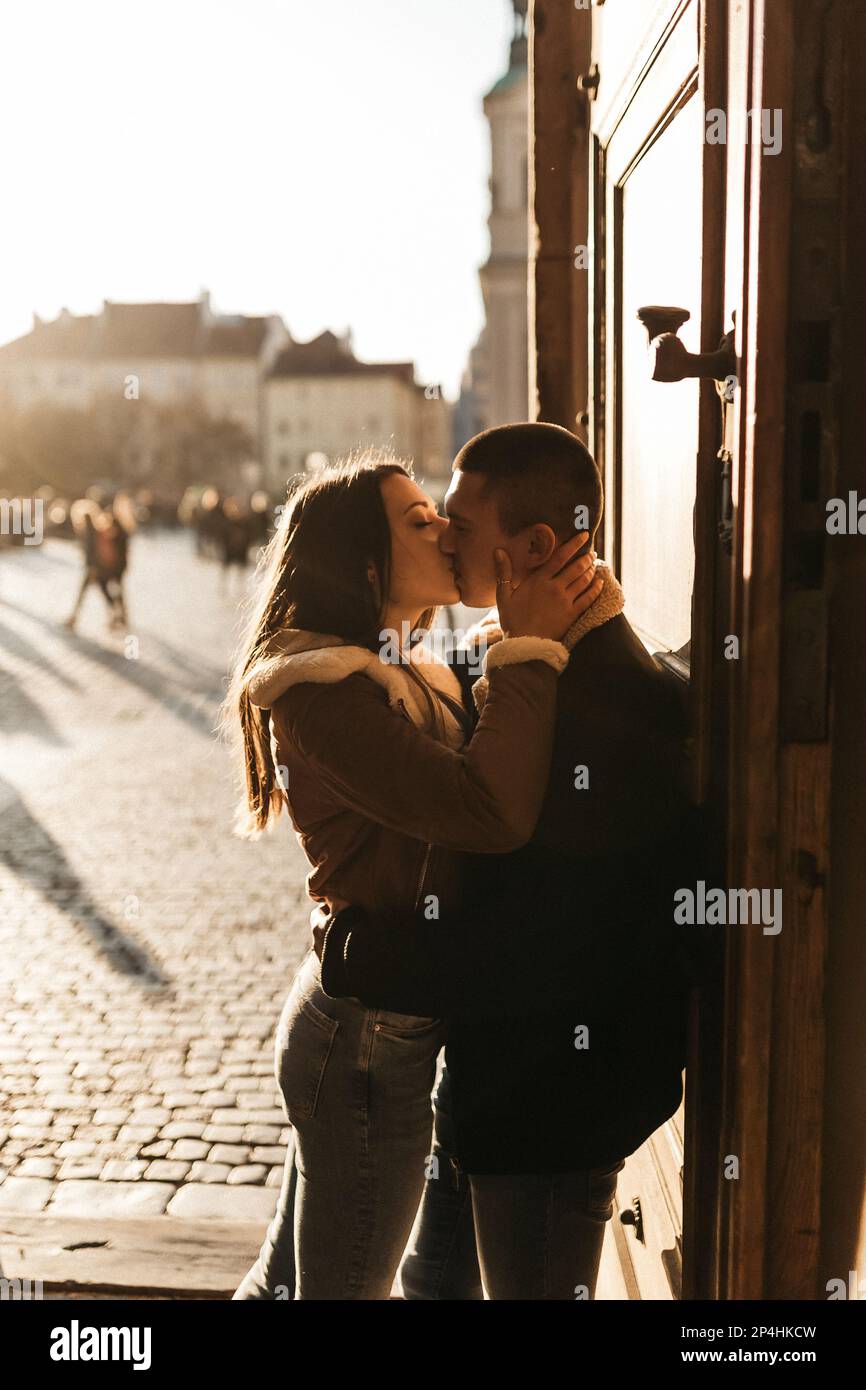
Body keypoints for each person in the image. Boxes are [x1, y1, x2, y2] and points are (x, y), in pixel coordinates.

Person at [317, 423, 715, 1300]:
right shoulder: (543, 656)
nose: (446, 538)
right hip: (501, 1092)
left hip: (547, 1115)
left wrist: (360, 954)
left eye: (460, 523)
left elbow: (527, 949)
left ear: (534, 546)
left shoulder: (597, 704)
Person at [226, 446, 603, 1300]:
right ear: (368, 563)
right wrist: (532, 645)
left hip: (378, 1018)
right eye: (418, 519)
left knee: (286, 1281)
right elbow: (488, 811)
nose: (442, 525)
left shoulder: (407, 666)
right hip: (361, 1041)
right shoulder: (325, 691)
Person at [65, 497, 131, 632]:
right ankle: (119, 616)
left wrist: (92, 565)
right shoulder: (100, 524)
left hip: (96, 566)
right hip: (107, 565)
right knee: (110, 590)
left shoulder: (89, 526)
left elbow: (91, 549)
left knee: (100, 590)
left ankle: (75, 618)